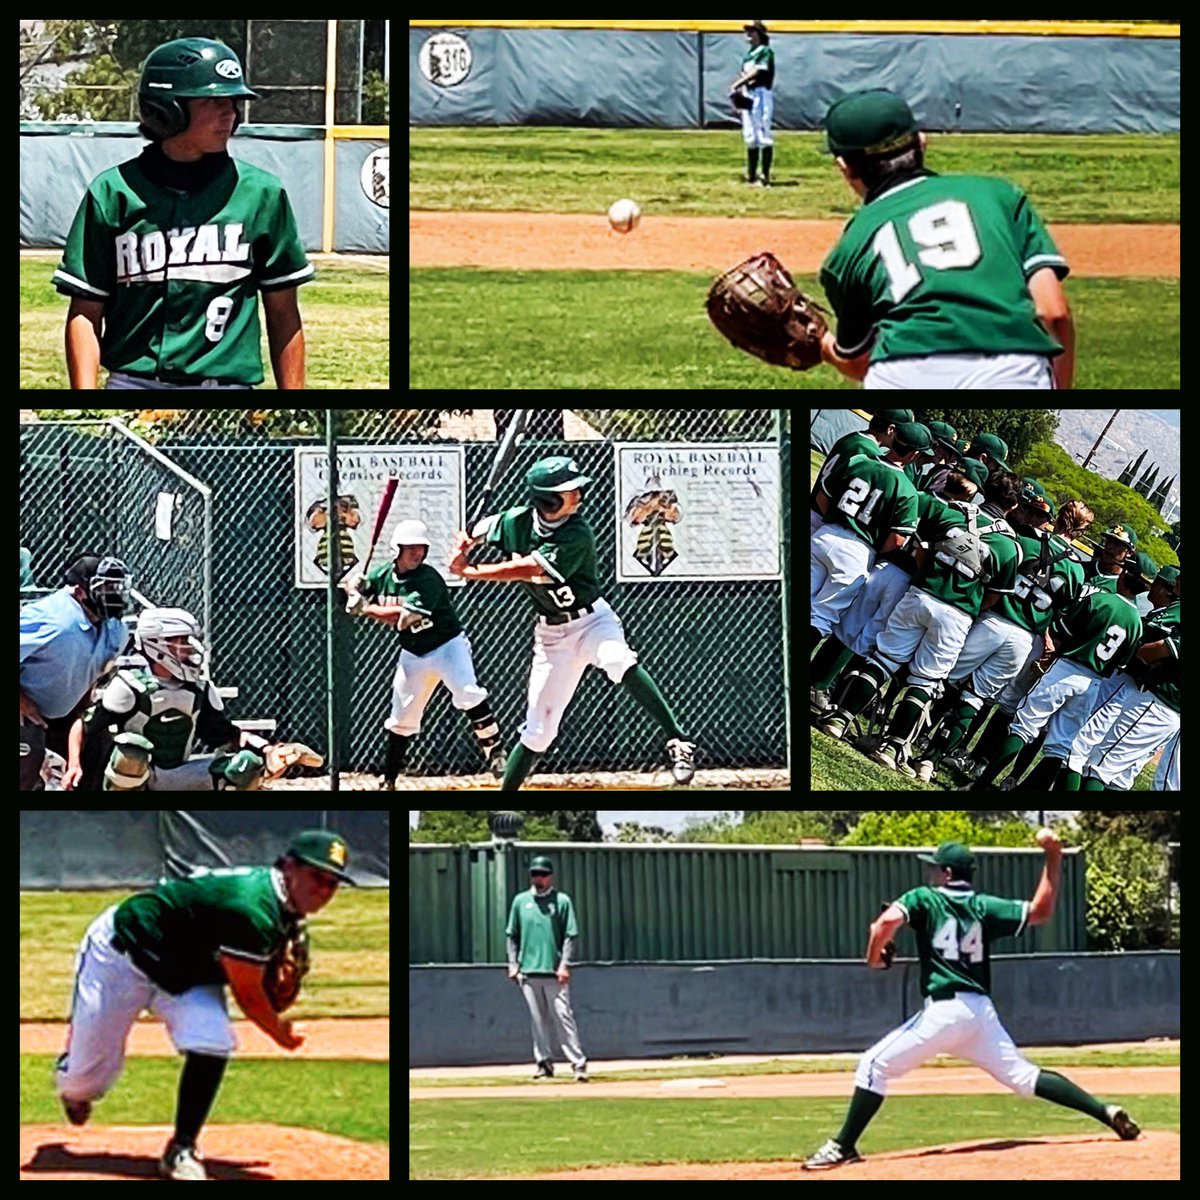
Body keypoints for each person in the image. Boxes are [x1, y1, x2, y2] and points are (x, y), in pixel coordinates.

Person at [802, 836, 1140, 1171]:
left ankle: (842, 1146)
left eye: (935, 869)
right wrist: (1053, 856)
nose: (931, 874)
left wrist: (874, 958)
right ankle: (1104, 1111)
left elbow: (885, 924)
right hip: (980, 1013)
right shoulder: (984, 906)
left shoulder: (924, 898)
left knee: (873, 1066)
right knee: (1025, 1076)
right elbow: (1041, 911)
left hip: (945, 1011)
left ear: (948, 873)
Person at [55, 830, 349, 1179]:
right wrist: (280, 1034)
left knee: (213, 1039)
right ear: (289, 867)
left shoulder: (283, 904)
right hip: (123, 956)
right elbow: (250, 997)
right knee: (82, 1085)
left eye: (333, 883)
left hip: (185, 971)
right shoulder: (252, 907)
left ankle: (181, 1147)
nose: (324, 890)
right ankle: (72, 1068)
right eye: (317, 876)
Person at [52, 38, 313, 389]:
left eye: (233, 101)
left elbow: (284, 314)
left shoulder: (261, 194)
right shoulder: (113, 193)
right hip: (134, 384)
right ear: (167, 109)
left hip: (227, 390)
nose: (230, 113)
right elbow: (85, 311)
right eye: (212, 101)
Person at [817, 89, 1075, 390]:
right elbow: (1053, 313)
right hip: (1010, 371)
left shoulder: (848, 250)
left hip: (902, 378)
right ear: (922, 142)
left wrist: (821, 343)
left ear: (844, 167)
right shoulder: (998, 195)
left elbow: (859, 362)